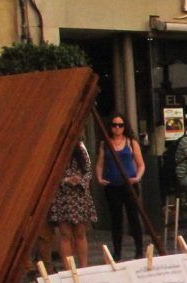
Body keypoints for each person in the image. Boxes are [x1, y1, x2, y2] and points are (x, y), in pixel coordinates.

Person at [95, 113, 147, 261]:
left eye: (120, 125)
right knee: (116, 219)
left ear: (125, 127)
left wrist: (137, 177)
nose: (117, 128)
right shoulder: (104, 143)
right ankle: (117, 252)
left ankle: (139, 250)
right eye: (114, 125)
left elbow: (140, 163)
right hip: (112, 185)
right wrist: (99, 178)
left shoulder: (131, 142)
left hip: (129, 184)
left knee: (133, 217)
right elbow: (100, 163)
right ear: (110, 127)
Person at [47, 140, 96, 270]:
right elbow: (50, 172)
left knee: (80, 232)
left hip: (79, 195)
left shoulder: (81, 147)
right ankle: (68, 269)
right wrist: (65, 180)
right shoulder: (55, 147)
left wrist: (80, 180)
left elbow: (89, 170)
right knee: (65, 234)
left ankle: (84, 267)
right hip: (63, 195)